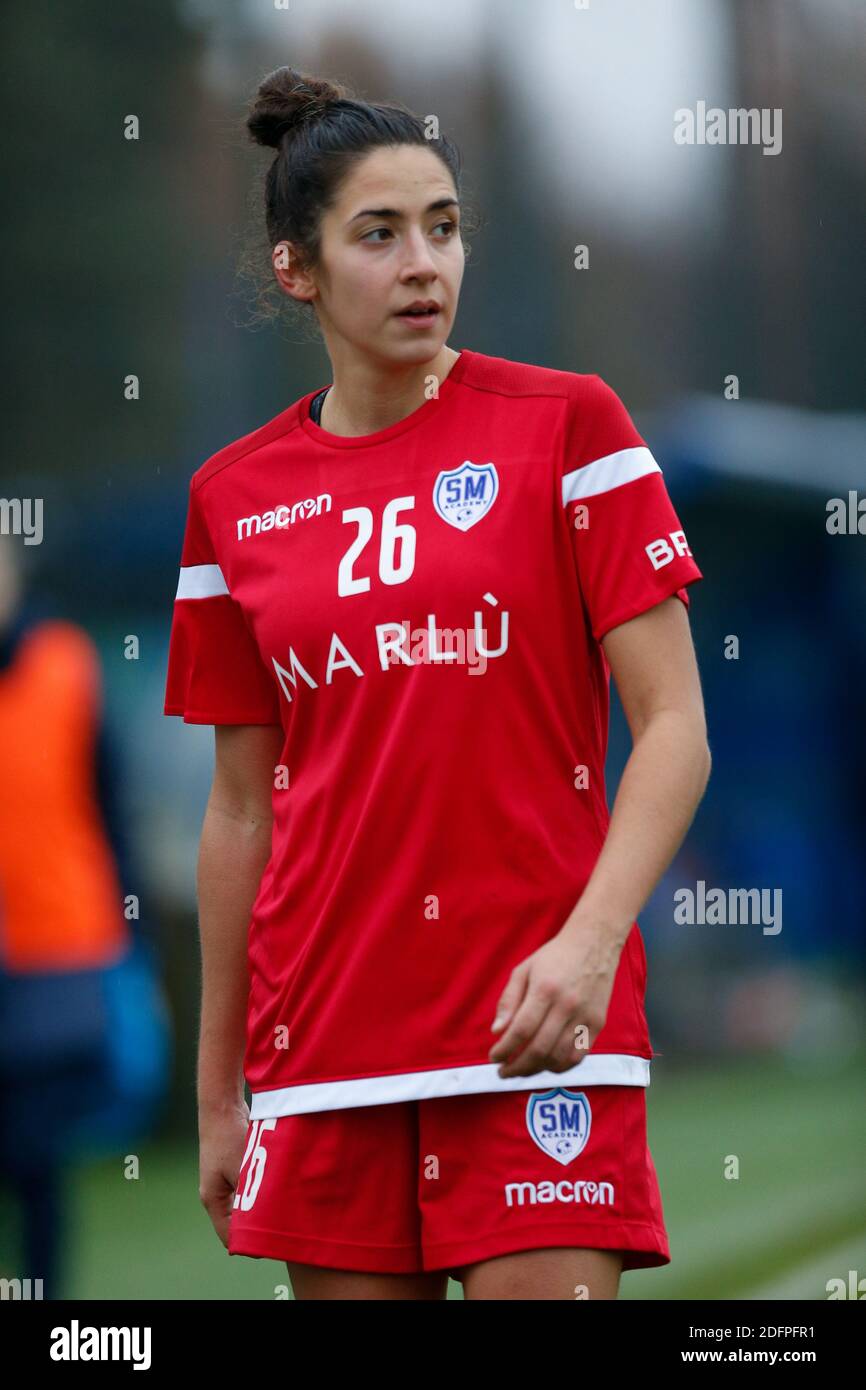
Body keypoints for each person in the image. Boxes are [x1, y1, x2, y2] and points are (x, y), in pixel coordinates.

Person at [163, 66, 710, 1301]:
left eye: (443, 227)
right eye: (379, 234)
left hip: (537, 1031)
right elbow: (239, 811)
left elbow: (674, 725)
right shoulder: (229, 499)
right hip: (323, 1048)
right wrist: (217, 1095)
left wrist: (586, 947)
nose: (423, 264)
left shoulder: (569, 427)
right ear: (295, 269)